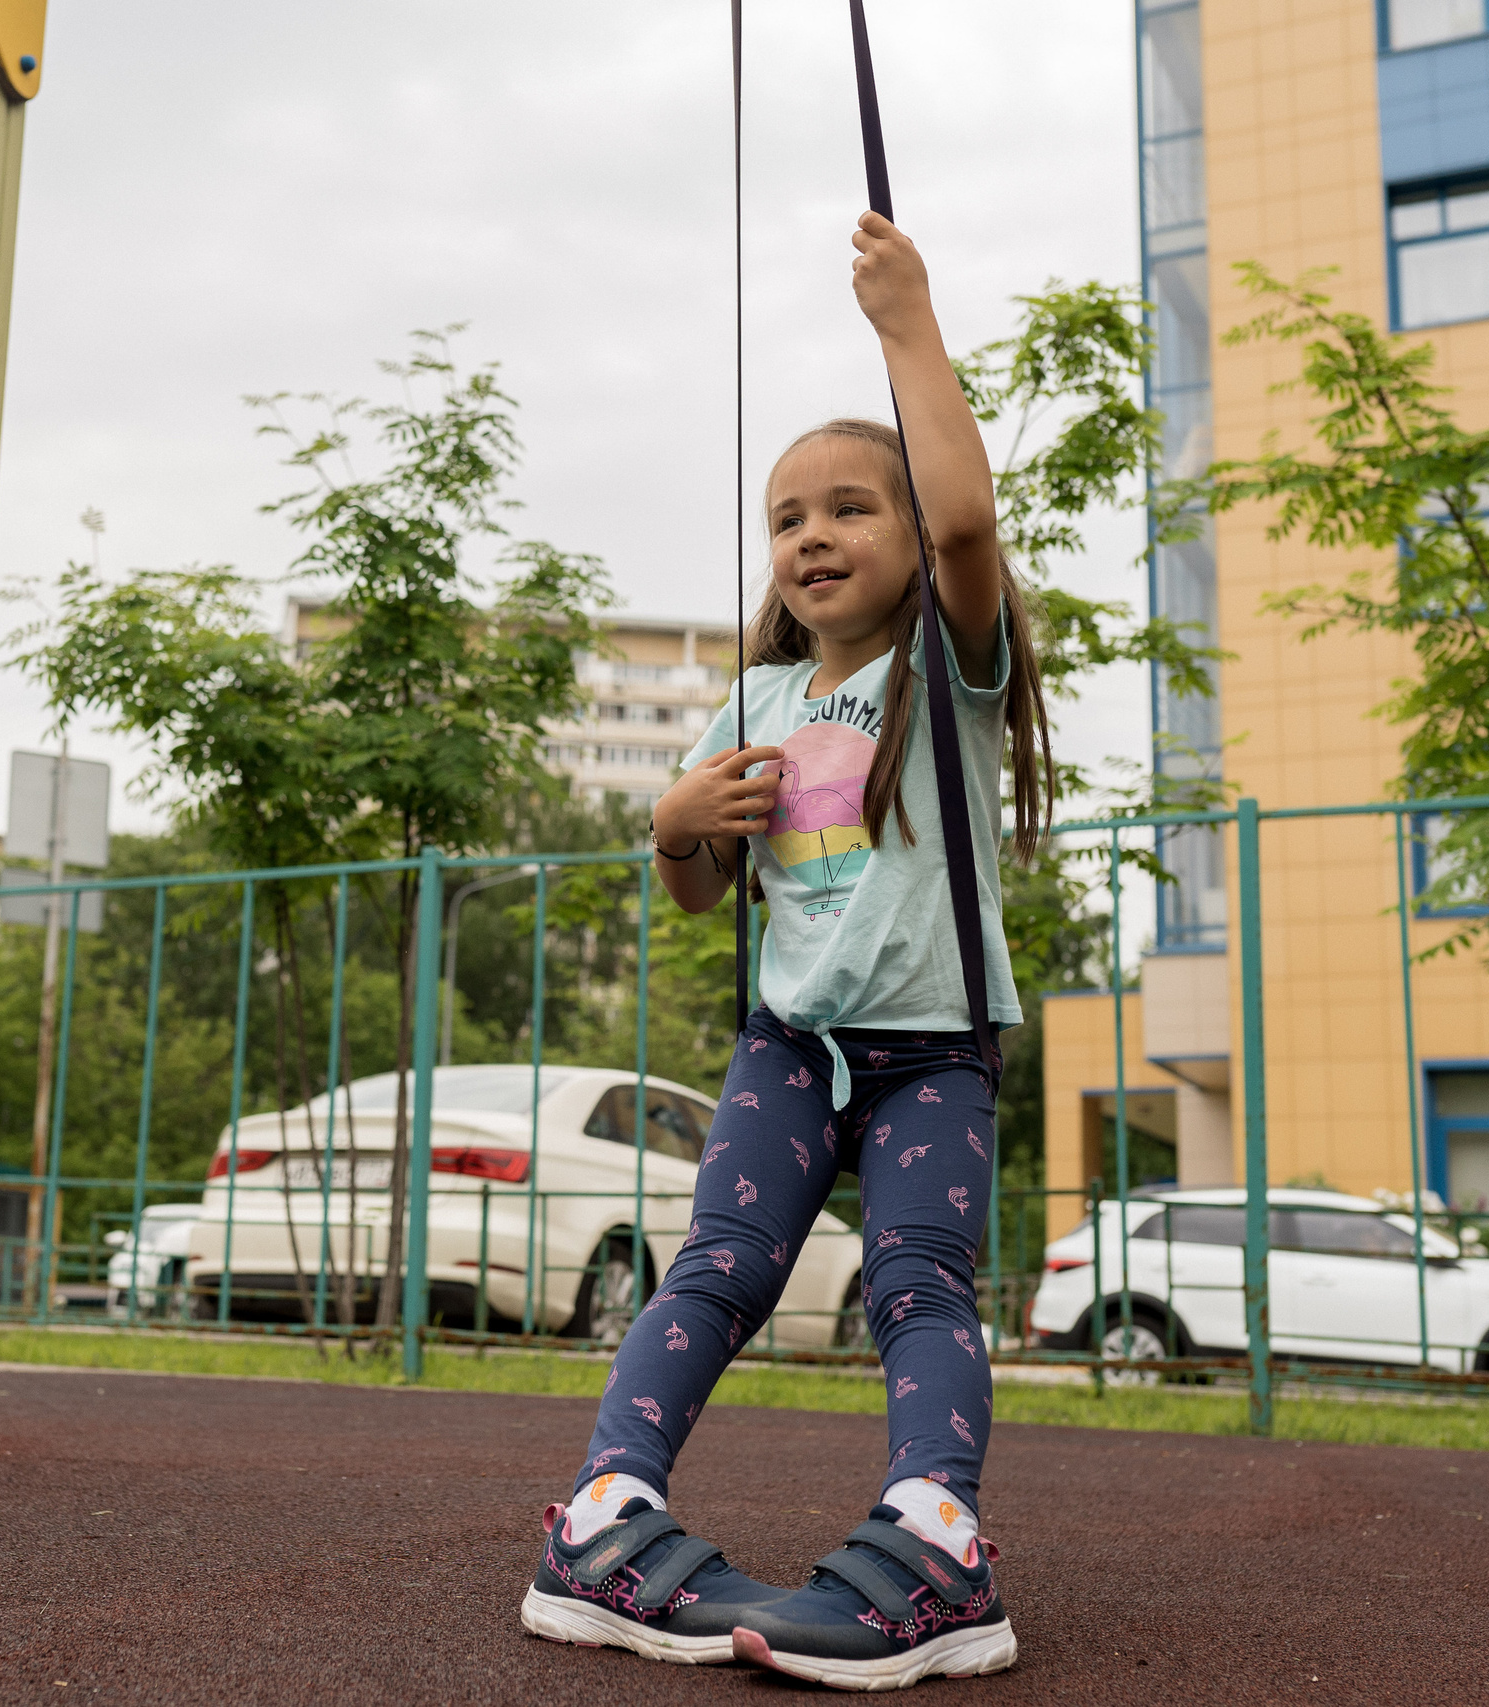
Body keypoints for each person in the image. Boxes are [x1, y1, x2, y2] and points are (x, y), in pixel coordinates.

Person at [517, 208, 1051, 1691]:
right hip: (787, 1046)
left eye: (847, 508)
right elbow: (701, 896)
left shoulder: (947, 670)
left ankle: (938, 1539)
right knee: (714, 1273)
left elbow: (962, 522)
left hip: (931, 1047)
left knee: (917, 1283)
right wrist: (674, 825)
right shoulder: (750, 702)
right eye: (787, 516)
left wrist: (908, 325)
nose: (814, 535)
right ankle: (605, 1514)